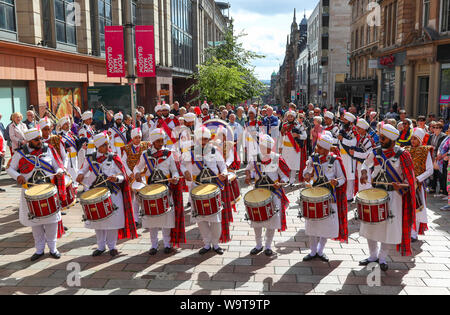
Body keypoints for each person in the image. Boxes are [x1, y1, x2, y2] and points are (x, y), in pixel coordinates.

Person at [360, 123, 416, 271]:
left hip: (394, 196)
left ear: (392, 140)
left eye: (383, 138)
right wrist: (364, 172)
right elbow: (365, 164)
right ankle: (373, 255)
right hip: (375, 192)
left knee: (389, 228)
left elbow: (410, 180)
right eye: (380, 137)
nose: (380, 139)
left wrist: (401, 185)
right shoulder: (376, 152)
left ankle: (382, 258)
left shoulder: (403, 155)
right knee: (370, 225)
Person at [6, 128, 66, 261]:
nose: (40, 141)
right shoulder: (20, 153)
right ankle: (39, 250)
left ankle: (53, 248)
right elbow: (9, 168)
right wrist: (17, 176)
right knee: (35, 222)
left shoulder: (49, 149)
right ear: (29, 141)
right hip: (30, 191)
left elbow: (58, 165)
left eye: (40, 139)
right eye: (37, 139)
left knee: (52, 221)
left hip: (49, 190)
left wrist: (60, 171)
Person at [76, 133, 137, 257]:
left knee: (112, 222)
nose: (107, 147)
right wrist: (80, 174)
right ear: (98, 146)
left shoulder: (114, 157)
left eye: (107, 144)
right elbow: (83, 169)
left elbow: (123, 175)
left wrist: (117, 178)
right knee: (98, 221)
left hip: (113, 192)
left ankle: (112, 246)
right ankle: (100, 246)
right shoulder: (91, 158)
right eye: (104, 145)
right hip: (96, 193)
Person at [180, 127, 232, 255]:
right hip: (196, 188)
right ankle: (207, 243)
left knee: (215, 218)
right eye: (201, 138)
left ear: (209, 139)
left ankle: (216, 244)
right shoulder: (189, 151)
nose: (203, 141)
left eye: (206, 139)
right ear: (196, 138)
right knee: (200, 218)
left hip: (213, 188)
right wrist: (185, 171)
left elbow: (223, 166)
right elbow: (181, 164)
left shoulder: (215, 151)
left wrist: (224, 173)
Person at [134, 128, 186, 254]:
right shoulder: (145, 154)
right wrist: (136, 173)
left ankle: (167, 244)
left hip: (165, 189)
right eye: (158, 141)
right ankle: (154, 245)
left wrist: (174, 177)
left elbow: (174, 170)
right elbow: (137, 167)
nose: (161, 143)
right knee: (152, 220)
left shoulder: (169, 154)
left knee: (166, 219)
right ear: (153, 141)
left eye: (162, 140)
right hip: (150, 190)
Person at [302, 132, 348, 262]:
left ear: (327, 149)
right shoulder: (313, 159)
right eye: (317, 147)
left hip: (329, 197)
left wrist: (336, 182)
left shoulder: (335, 160)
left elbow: (343, 178)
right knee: (312, 225)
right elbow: (306, 172)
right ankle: (312, 251)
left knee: (326, 226)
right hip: (314, 195)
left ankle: (320, 251)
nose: (317, 149)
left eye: (320, 148)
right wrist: (306, 175)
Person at [244, 134, 290, 256]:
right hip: (258, 192)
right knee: (256, 220)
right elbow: (248, 169)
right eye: (263, 146)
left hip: (273, 193)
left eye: (267, 147)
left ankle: (268, 246)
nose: (265, 149)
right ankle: (258, 245)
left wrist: (281, 183)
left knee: (272, 220)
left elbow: (286, 176)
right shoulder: (255, 158)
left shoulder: (277, 158)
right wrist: (248, 175)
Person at [405, 128, 433, 242]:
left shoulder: (425, 151)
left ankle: (413, 233)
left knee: (417, 209)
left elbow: (430, 170)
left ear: (420, 140)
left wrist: (418, 179)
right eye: (412, 138)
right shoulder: (405, 150)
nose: (412, 141)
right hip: (405, 184)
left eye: (415, 139)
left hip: (417, 185)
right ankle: (406, 231)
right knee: (405, 208)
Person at [121, 128, 151, 226]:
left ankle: (142, 217)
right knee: (133, 197)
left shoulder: (146, 146)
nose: (138, 140)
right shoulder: (126, 148)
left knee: (141, 196)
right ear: (132, 138)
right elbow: (123, 162)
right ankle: (135, 218)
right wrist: (129, 173)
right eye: (136, 138)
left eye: (139, 137)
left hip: (143, 175)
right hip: (131, 176)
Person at [280, 110, 307, 185]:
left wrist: (298, 136)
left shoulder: (299, 126)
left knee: (293, 164)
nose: (290, 118)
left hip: (294, 148)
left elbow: (305, 136)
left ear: (294, 117)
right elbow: (281, 136)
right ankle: (286, 178)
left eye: (291, 116)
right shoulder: (284, 125)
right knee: (285, 164)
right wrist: (280, 146)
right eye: (288, 116)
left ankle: (292, 180)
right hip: (285, 148)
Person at [336, 112, 358, 201]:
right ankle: (343, 193)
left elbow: (353, 143)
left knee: (350, 176)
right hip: (342, 155)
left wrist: (343, 140)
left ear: (350, 122)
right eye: (343, 119)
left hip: (350, 156)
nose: (343, 121)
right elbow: (338, 140)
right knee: (342, 174)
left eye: (345, 120)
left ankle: (349, 196)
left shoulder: (354, 131)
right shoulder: (342, 129)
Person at [350, 119, 376, 194]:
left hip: (366, 164)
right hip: (360, 164)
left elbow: (367, 155)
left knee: (365, 184)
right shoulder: (362, 138)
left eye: (359, 128)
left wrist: (354, 153)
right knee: (361, 184)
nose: (357, 130)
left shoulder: (367, 140)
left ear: (364, 129)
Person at [428, 122, 447, 195]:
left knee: (440, 174)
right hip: (432, 156)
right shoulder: (431, 136)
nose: (435, 129)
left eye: (437, 127)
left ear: (441, 129)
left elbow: (442, 146)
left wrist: (436, 150)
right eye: (434, 127)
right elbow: (428, 144)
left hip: (440, 156)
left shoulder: (443, 136)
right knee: (432, 173)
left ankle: (442, 189)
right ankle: (433, 187)